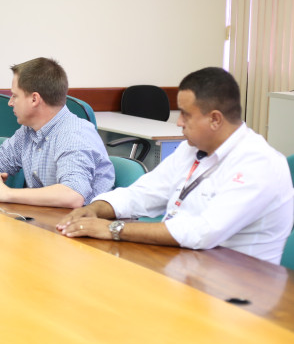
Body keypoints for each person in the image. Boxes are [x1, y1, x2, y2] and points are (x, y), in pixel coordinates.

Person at [57, 67, 294, 264]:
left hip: (239, 290)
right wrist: (96, 209)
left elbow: (202, 232)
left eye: (186, 114)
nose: (178, 122)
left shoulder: (260, 164)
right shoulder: (192, 148)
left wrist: (112, 230)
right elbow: (143, 193)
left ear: (215, 119)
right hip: (185, 266)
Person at [0, 58, 114, 208]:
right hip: (46, 219)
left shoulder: (74, 134)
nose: (10, 102)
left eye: (15, 96)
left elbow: (73, 195)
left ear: (34, 99)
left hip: (85, 224)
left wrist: (6, 193)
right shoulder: (28, 131)